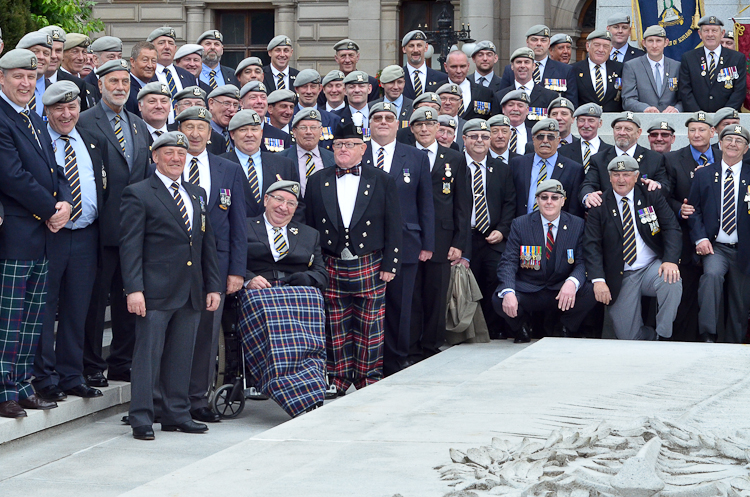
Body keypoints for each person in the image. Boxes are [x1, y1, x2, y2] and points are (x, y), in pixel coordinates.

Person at [120, 131, 222, 440]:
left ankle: (177, 413)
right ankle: (141, 416)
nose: (176, 158)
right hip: (154, 290)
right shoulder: (138, 193)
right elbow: (130, 246)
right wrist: (133, 289)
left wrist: (213, 286)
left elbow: (207, 244)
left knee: (181, 356)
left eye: (181, 153)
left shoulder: (196, 193)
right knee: (148, 357)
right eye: (168, 153)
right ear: (155, 157)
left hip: (191, 289)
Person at [304, 122, 402, 396]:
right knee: (335, 324)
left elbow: (394, 224)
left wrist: (390, 265)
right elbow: (310, 227)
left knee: (369, 325)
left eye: (349, 145)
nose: (343, 150)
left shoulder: (381, 179)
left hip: (369, 262)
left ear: (362, 148)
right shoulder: (317, 180)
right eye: (338, 145)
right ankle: (338, 377)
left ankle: (367, 378)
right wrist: (315, 264)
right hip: (332, 263)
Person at [0, 49, 72, 418]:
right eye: (18, 77)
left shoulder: (32, 118)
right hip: (16, 232)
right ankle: (2, 389)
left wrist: (64, 203)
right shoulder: (2, 118)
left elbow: (53, 168)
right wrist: (50, 209)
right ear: (2, 78)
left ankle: (23, 385)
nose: (26, 83)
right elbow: (11, 176)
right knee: (8, 317)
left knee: (33, 317)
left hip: (44, 233)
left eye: (30, 77)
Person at [32, 81, 107, 402]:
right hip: (50, 235)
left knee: (79, 308)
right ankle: (44, 376)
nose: (66, 114)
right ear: (46, 111)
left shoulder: (91, 139)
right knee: (45, 308)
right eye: (58, 109)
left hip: (87, 235)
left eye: (72, 107)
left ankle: (71, 374)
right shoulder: (38, 142)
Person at [80, 59, 151, 388]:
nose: (120, 87)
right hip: (99, 229)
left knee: (129, 300)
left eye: (124, 81)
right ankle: (92, 364)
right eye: (114, 81)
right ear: (99, 84)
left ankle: (122, 362)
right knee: (96, 303)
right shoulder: (84, 122)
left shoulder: (138, 124)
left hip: (134, 229)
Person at [174, 106, 247, 423]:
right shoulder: (168, 164)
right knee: (171, 332)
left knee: (206, 334)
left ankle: (197, 399)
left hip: (215, 266)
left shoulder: (227, 168)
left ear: (210, 133)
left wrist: (236, 270)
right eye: (188, 127)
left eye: (200, 127)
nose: (194, 133)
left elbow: (238, 224)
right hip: (173, 265)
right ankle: (165, 396)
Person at [241, 180, 329, 417]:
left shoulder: (309, 234)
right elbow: (229, 262)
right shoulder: (244, 226)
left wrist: (306, 278)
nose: (284, 207)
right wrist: (248, 279)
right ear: (266, 200)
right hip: (260, 292)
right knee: (269, 310)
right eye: (279, 200)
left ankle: (309, 385)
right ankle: (284, 385)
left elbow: (322, 274)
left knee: (312, 301)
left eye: (291, 203)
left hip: (297, 292)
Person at [363, 102, 434, 376]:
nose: (383, 121)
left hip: (406, 242)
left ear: (398, 124)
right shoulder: (359, 153)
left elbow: (425, 202)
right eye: (377, 117)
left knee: (400, 306)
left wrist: (428, 243)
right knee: (368, 306)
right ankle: (369, 361)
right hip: (366, 244)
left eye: (389, 118)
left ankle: (396, 360)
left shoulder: (415, 157)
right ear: (369, 124)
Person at [583, 155, 682, 340]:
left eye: (626, 174)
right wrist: (598, 279)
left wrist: (670, 261)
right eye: (616, 175)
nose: (621, 180)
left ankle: (663, 336)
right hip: (621, 274)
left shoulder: (651, 195)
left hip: (650, 268)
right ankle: (649, 337)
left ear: (636, 176)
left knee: (672, 281)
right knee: (629, 337)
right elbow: (591, 245)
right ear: (609, 177)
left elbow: (672, 228)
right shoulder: (599, 204)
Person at [494, 179, 596, 338]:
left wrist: (572, 282)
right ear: (537, 200)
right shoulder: (520, 224)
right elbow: (508, 262)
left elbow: (583, 261)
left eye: (555, 198)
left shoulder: (577, 225)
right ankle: (521, 326)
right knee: (499, 298)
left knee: (592, 291)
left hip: (560, 287)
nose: (549, 202)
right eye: (544, 197)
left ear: (563, 201)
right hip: (530, 288)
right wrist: (508, 291)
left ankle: (565, 326)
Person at [408, 107, 470, 362]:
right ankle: (410, 346)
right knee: (411, 296)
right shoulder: (405, 155)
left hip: (443, 239)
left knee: (436, 295)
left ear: (438, 128)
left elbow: (463, 203)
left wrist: (460, 242)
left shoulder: (454, 158)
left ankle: (431, 345)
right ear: (411, 128)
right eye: (419, 125)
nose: (425, 129)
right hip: (411, 237)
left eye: (430, 124)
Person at [688, 124, 750, 344]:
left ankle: (735, 342)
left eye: (739, 141)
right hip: (716, 247)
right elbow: (693, 211)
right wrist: (701, 237)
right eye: (729, 139)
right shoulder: (704, 174)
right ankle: (708, 335)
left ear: (746, 148)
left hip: (745, 248)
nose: (733, 144)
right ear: (720, 143)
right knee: (712, 277)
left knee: (740, 298)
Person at [664, 111, 719, 342]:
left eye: (702, 129)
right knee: (686, 293)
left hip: (720, 238)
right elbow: (665, 196)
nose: (696, 134)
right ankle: (683, 341)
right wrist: (679, 208)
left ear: (713, 132)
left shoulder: (725, 155)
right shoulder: (673, 159)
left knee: (715, 290)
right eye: (692, 130)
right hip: (686, 238)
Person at [462, 119, 517, 340]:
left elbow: (509, 203)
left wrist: (502, 230)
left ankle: (493, 329)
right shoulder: (454, 166)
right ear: (464, 139)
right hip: (465, 237)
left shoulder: (502, 169)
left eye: (484, 137)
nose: (479, 141)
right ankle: (469, 330)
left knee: (494, 280)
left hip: (493, 237)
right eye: (474, 136)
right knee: (467, 284)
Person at [580, 112, 668, 209]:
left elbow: (666, 187)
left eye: (628, 129)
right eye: (618, 128)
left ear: (638, 133)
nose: (622, 132)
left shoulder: (654, 158)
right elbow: (588, 185)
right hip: (609, 215)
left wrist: (657, 185)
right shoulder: (599, 158)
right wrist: (588, 196)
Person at [222, 109, 299, 218]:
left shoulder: (284, 165)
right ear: (232, 134)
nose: (249, 135)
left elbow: (297, 205)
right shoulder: (219, 165)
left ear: (261, 133)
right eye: (243, 130)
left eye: (254, 129)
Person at [510, 118, 584, 218]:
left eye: (550, 137)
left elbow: (574, 209)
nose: (545, 141)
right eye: (540, 137)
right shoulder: (517, 164)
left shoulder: (574, 169)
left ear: (558, 140)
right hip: (521, 226)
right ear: (533, 139)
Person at [679, 16, 747, 112]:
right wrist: (699, 116)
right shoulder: (688, 58)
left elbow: (739, 90)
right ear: (700, 34)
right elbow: (685, 90)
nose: (710, 34)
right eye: (706, 31)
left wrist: (725, 114)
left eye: (714, 31)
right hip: (697, 119)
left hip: (727, 119)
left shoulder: (737, 58)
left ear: (722, 33)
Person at [499, 25, 578, 106]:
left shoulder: (565, 70)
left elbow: (571, 103)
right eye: (534, 40)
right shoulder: (511, 70)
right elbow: (502, 98)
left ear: (549, 43)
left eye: (543, 40)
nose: (539, 44)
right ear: (527, 42)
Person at [622, 25, 682, 113]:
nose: (654, 45)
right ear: (644, 43)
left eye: (658, 41)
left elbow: (685, 98)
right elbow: (628, 99)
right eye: (650, 41)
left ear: (666, 42)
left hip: (671, 120)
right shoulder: (632, 66)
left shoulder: (677, 66)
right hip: (644, 120)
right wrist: (645, 108)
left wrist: (676, 109)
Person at [278, 108, 336, 196]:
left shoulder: (333, 159)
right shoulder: (280, 159)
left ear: (321, 131)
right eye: (303, 128)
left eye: (313, 127)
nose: (309, 132)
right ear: (294, 131)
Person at [494, 47, 559, 123]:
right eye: (518, 62)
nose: (522, 66)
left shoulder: (549, 97)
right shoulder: (500, 96)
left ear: (534, 66)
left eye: (527, 62)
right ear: (512, 66)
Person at [147, 27, 198, 121]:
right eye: (161, 43)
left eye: (170, 43)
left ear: (175, 48)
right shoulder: (146, 75)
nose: (167, 47)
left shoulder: (188, 76)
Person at [572, 30, 623, 112]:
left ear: (611, 50)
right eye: (597, 45)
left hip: (613, 121)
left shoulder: (620, 68)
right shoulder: (573, 69)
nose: (601, 50)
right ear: (587, 47)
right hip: (585, 121)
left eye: (606, 46)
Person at [292, 68, 339, 151]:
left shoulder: (333, 120)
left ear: (320, 89)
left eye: (313, 87)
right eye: (304, 87)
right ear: (296, 89)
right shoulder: (287, 118)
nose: (309, 91)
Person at [558, 103, 612, 172]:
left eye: (591, 121)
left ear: (600, 123)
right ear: (576, 123)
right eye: (582, 120)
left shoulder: (610, 151)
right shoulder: (563, 151)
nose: (586, 125)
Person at [444, 50, 494, 120]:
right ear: (446, 67)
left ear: (468, 66)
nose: (458, 71)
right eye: (454, 67)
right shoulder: (435, 91)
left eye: (462, 66)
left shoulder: (485, 93)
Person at [15, 31, 52, 119]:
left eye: (46, 53)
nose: (41, 57)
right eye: (35, 52)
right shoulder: (4, 89)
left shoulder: (54, 91)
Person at [402, 30, 448, 100]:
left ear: (426, 47)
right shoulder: (398, 78)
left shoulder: (441, 78)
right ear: (404, 49)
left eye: (419, 45)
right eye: (411, 46)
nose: (415, 50)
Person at [370, 65, 414, 129]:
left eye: (399, 82)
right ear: (382, 83)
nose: (396, 87)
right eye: (391, 82)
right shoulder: (371, 107)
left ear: (404, 83)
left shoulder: (413, 107)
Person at [83, 36, 123, 102]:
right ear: (95, 59)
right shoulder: (86, 85)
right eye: (111, 57)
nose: (117, 61)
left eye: (119, 57)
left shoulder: (125, 82)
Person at [334, 71, 372, 139]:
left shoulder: (378, 115)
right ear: (345, 91)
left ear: (369, 89)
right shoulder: (335, 117)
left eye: (361, 86)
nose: (357, 90)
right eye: (352, 87)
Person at [126, 41, 158, 117]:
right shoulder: (126, 87)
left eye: (153, 61)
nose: (150, 65)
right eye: (145, 60)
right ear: (132, 62)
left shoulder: (155, 85)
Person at [207, 84, 240, 153]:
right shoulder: (204, 132)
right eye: (226, 103)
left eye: (235, 105)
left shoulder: (235, 132)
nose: (232, 109)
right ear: (211, 103)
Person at [500, 89, 533, 155]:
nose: (515, 109)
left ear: (527, 110)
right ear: (503, 109)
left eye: (520, 106)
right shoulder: (494, 134)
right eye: (511, 105)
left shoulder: (534, 135)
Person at [436, 83, 467, 150]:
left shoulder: (466, 126)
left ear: (460, 103)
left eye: (452, 99)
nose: (447, 103)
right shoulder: (430, 124)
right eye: (443, 98)